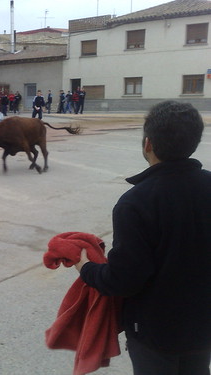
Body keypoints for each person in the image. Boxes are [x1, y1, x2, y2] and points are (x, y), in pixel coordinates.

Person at [74, 101, 211, 375]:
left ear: (148, 144)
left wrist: (86, 268)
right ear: (194, 142)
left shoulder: (135, 203)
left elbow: (124, 280)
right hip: (203, 327)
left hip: (155, 333)